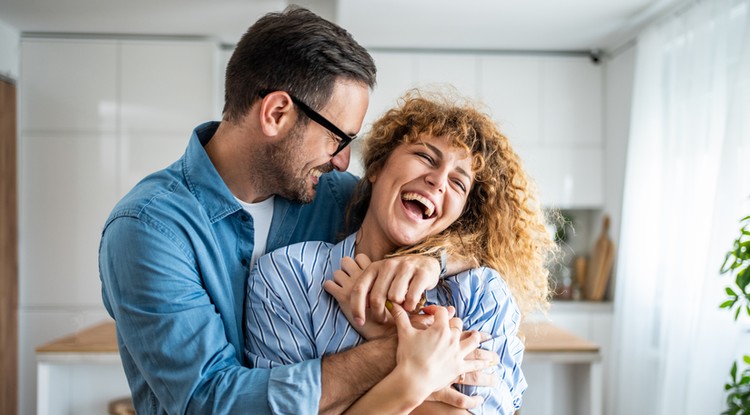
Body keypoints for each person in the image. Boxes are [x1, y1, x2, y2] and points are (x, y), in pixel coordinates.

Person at [99, 7, 486, 415]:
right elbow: (210, 401)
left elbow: (470, 240)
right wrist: (401, 352)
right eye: (337, 138)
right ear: (276, 113)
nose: (342, 161)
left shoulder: (335, 196)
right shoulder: (148, 230)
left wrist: (434, 260)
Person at [245, 90, 556, 414]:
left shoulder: (481, 293)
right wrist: (423, 371)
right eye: (426, 157)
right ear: (377, 167)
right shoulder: (286, 277)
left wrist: (395, 343)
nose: (437, 181)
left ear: (461, 212)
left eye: (458, 183)